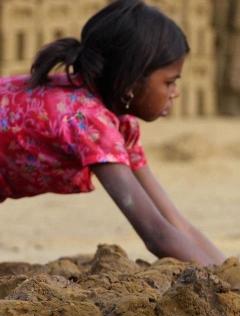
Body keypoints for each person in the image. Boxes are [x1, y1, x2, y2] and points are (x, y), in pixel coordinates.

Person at [0, 0, 224, 265]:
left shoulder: (119, 123)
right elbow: (156, 234)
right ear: (131, 81)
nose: (175, 92)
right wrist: (226, 286)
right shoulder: (87, 120)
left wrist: (232, 273)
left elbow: (174, 222)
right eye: (169, 82)